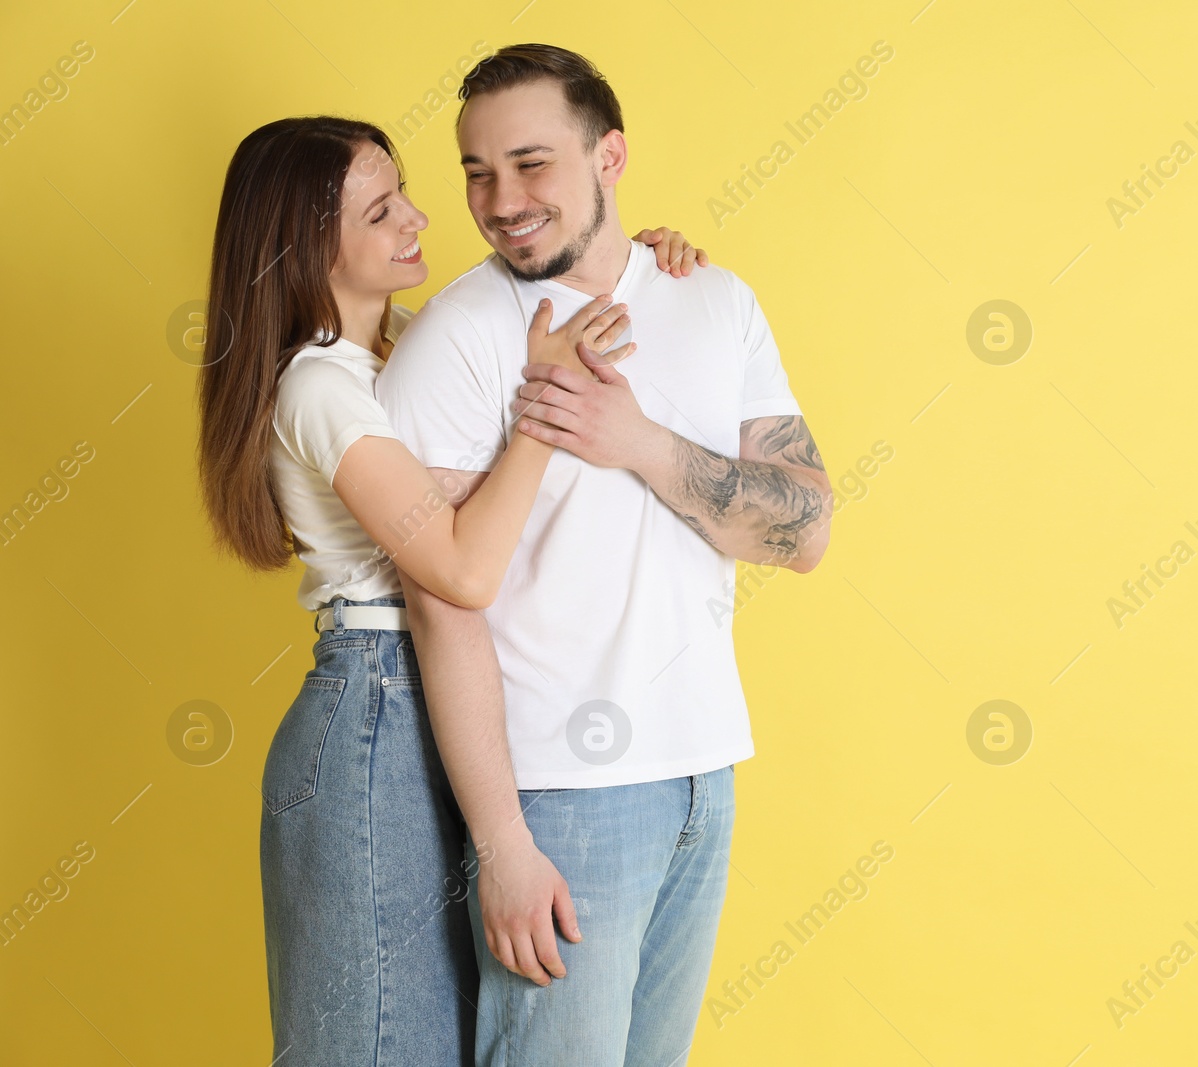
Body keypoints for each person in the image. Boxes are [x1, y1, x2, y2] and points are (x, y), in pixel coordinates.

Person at [194, 113, 709, 1067]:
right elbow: (462, 570)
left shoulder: (394, 352)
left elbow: (526, 310)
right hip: (376, 715)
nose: (419, 218)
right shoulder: (320, 387)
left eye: (407, 195)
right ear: (310, 246)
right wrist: (541, 414)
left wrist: (631, 257)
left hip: (438, 706)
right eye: (383, 210)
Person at [374, 43, 833, 1066]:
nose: (501, 199)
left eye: (531, 163)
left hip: (701, 772)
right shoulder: (458, 334)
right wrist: (500, 841)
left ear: (609, 155)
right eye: (476, 171)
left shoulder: (715, 299)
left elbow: (804, 531)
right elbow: (439, 603)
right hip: (558, 797)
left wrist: (641, 445)